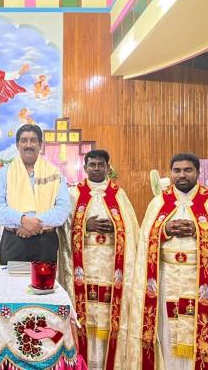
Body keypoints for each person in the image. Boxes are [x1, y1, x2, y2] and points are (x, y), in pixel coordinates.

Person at [127, 153, 208, 369]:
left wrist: (200, 232)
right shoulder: (157, 204)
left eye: (187, 170)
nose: (182, 175)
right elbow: (145, 239)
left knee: (198, 331)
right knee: (166, 331)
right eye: (177, 170)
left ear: (198, 173)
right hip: (166, 280)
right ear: (171, 173)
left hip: (200, 284)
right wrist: (164, 230)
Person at [60, 149, 139, 369]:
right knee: (86, 317)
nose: (96, 168)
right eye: (92, 164)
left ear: (107, 167)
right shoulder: (73, 194)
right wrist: (85, 226)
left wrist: (115, 227)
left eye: (100, 165)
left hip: (111, 270)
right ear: (84, 168)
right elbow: (62, 229)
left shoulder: (118, 194)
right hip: (81, 270)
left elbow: (131, 230)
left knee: (106, 318)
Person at [0, 124, 71, 264]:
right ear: (17, 145)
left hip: (45, 242)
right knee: (11, 284)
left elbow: (63, 208)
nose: (28, 145)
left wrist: (33, 225)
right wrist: (22, 220)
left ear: (40, 144)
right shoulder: (5, 173)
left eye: (33, 140)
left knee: (43, 285)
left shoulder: (54, 173)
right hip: (14, 240)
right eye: (24, 140)